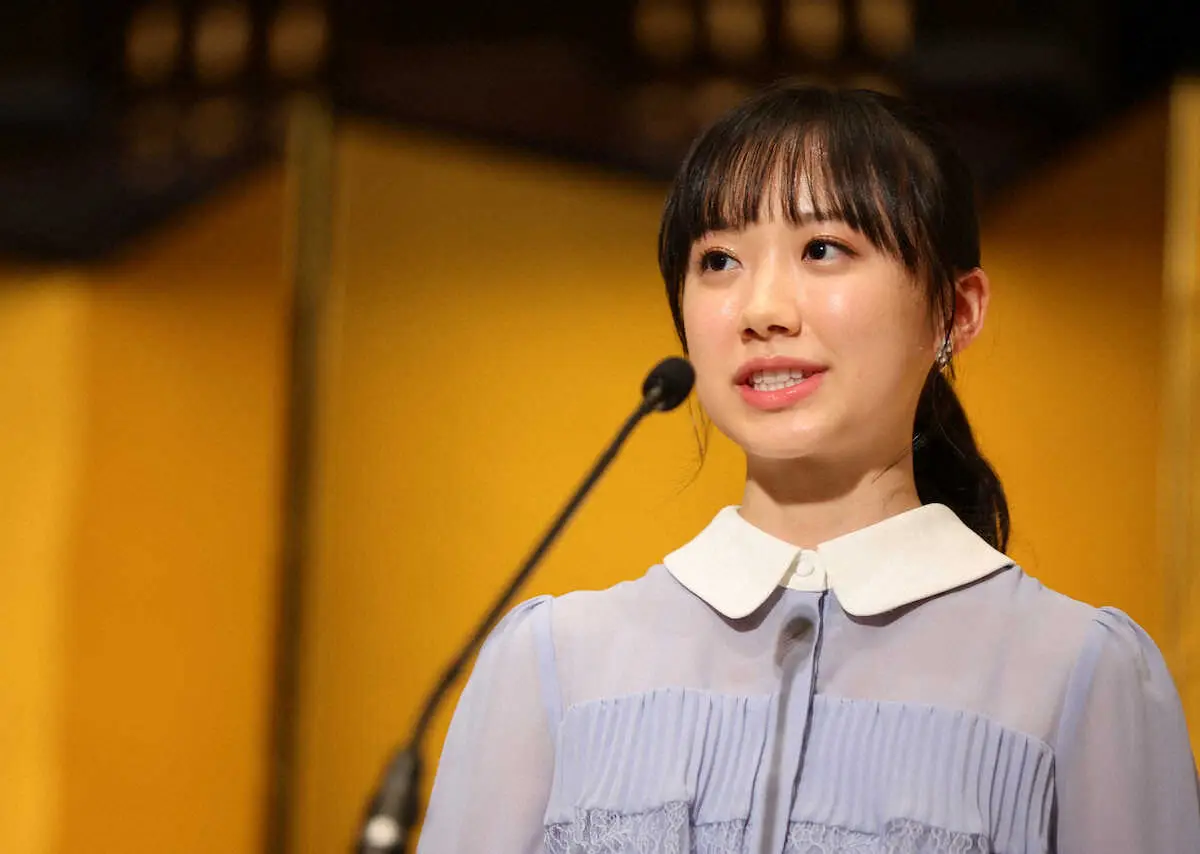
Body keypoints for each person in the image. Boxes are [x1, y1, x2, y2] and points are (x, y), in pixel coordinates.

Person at [415, 83, 1200, 853]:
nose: (762, 310)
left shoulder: (1079, 674)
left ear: (956, 312)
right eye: (719, 260)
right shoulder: (553, 664)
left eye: (824, 249)